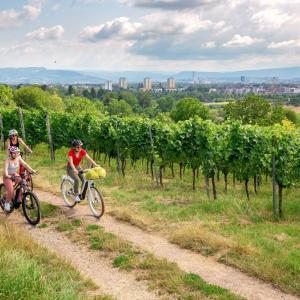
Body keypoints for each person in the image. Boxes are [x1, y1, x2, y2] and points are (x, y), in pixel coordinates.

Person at [3, 146, 37, 212]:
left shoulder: (18, 158)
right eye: (14, 153)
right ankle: (6, 203)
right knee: (11, 191)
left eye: (17, 153)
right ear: (10, 153)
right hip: (7, 177)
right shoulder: (7, 160)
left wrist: (32, 170)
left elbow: (25, 164)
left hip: (14, 174)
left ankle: (19, 198)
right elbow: (5, 170)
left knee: (24, 183)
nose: (16, 154)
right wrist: (7, 175)